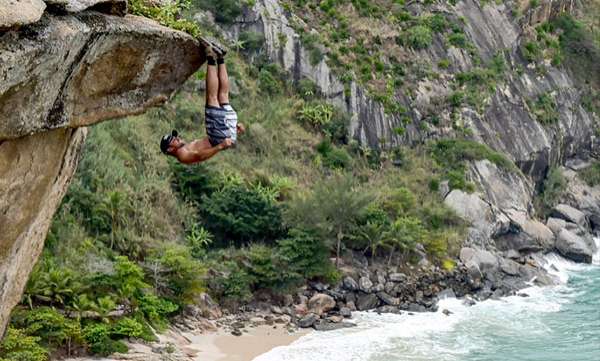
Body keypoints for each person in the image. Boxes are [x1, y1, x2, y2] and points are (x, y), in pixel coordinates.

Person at [160, 46, 245, 164]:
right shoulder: (183, 156)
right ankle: (210, 57)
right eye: (173, 139)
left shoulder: (185, 148)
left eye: (174, 136)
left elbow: (204, 147)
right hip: (220, 137)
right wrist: (220, 146)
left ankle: (220, 58)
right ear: (170, 149)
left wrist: (234, 131)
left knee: (223, 95)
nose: (177, 138)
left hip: (226, 134)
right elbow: (200, 156)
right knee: (212, 97)